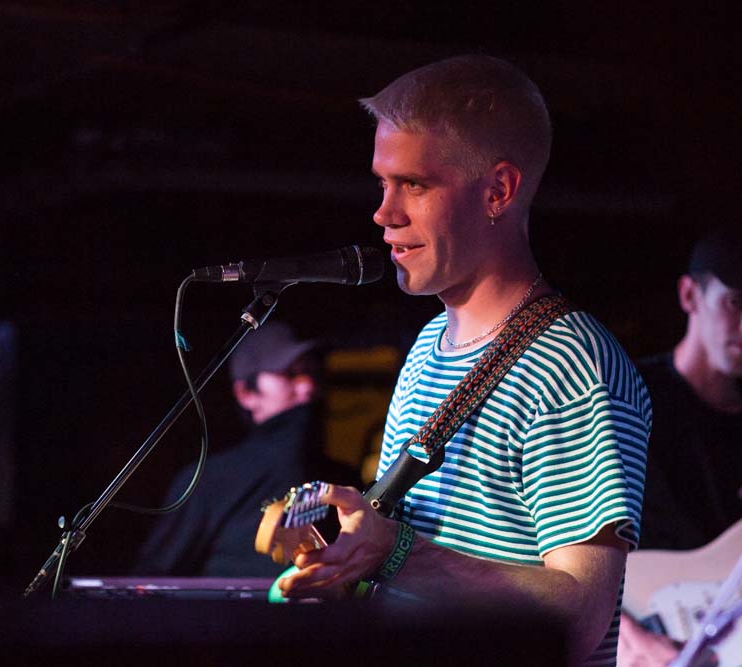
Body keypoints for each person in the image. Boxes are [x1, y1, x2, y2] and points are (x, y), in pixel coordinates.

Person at [274, 55, 652, 666]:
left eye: (414, 185)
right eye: (383, 184)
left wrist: (393, 553)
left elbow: (579, 620)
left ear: (498, 190)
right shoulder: (429, 347)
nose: (384, 212)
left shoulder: (571, 364)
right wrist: (347, 571)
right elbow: (422, 584)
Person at [618, 229, 742, 665]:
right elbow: (542, 533)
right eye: (735, 302)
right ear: (690, 295)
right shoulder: (624, 396)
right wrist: (628, 635)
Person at [135, 320, 358, 577]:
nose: (308, 386)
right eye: (290, 374)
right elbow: (153, 579)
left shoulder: (345, 481)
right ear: (246, 393)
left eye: (313, 373)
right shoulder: (205, 481)